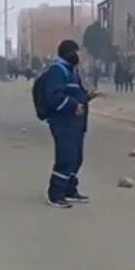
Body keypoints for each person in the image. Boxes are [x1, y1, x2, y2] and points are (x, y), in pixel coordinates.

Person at [43, 39, 96, 209]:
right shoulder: (57, 71)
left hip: (76, 123)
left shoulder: (72, 70)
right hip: (63, 123)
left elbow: (73, 93)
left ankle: (69, 189)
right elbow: (53, 97)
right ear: (68, 53)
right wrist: (75, 105)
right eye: (77, 52)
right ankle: (55, 194)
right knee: (66, 158)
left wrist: (86, 97)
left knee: (76, 158)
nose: (79, 56)